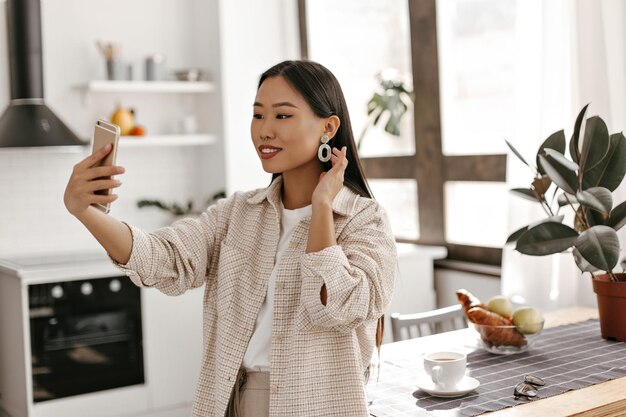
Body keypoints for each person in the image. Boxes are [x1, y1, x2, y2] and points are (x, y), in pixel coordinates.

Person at [64, 60, 397, 417]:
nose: (264, 131)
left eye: (282, 116)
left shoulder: (365, 220)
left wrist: (321, 207)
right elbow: (164, 258)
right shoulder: (238, 213)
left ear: (328, 127)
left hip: (318, 406)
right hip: (236, 401)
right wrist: (87, 212)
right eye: (257, 115)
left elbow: (341, 310)